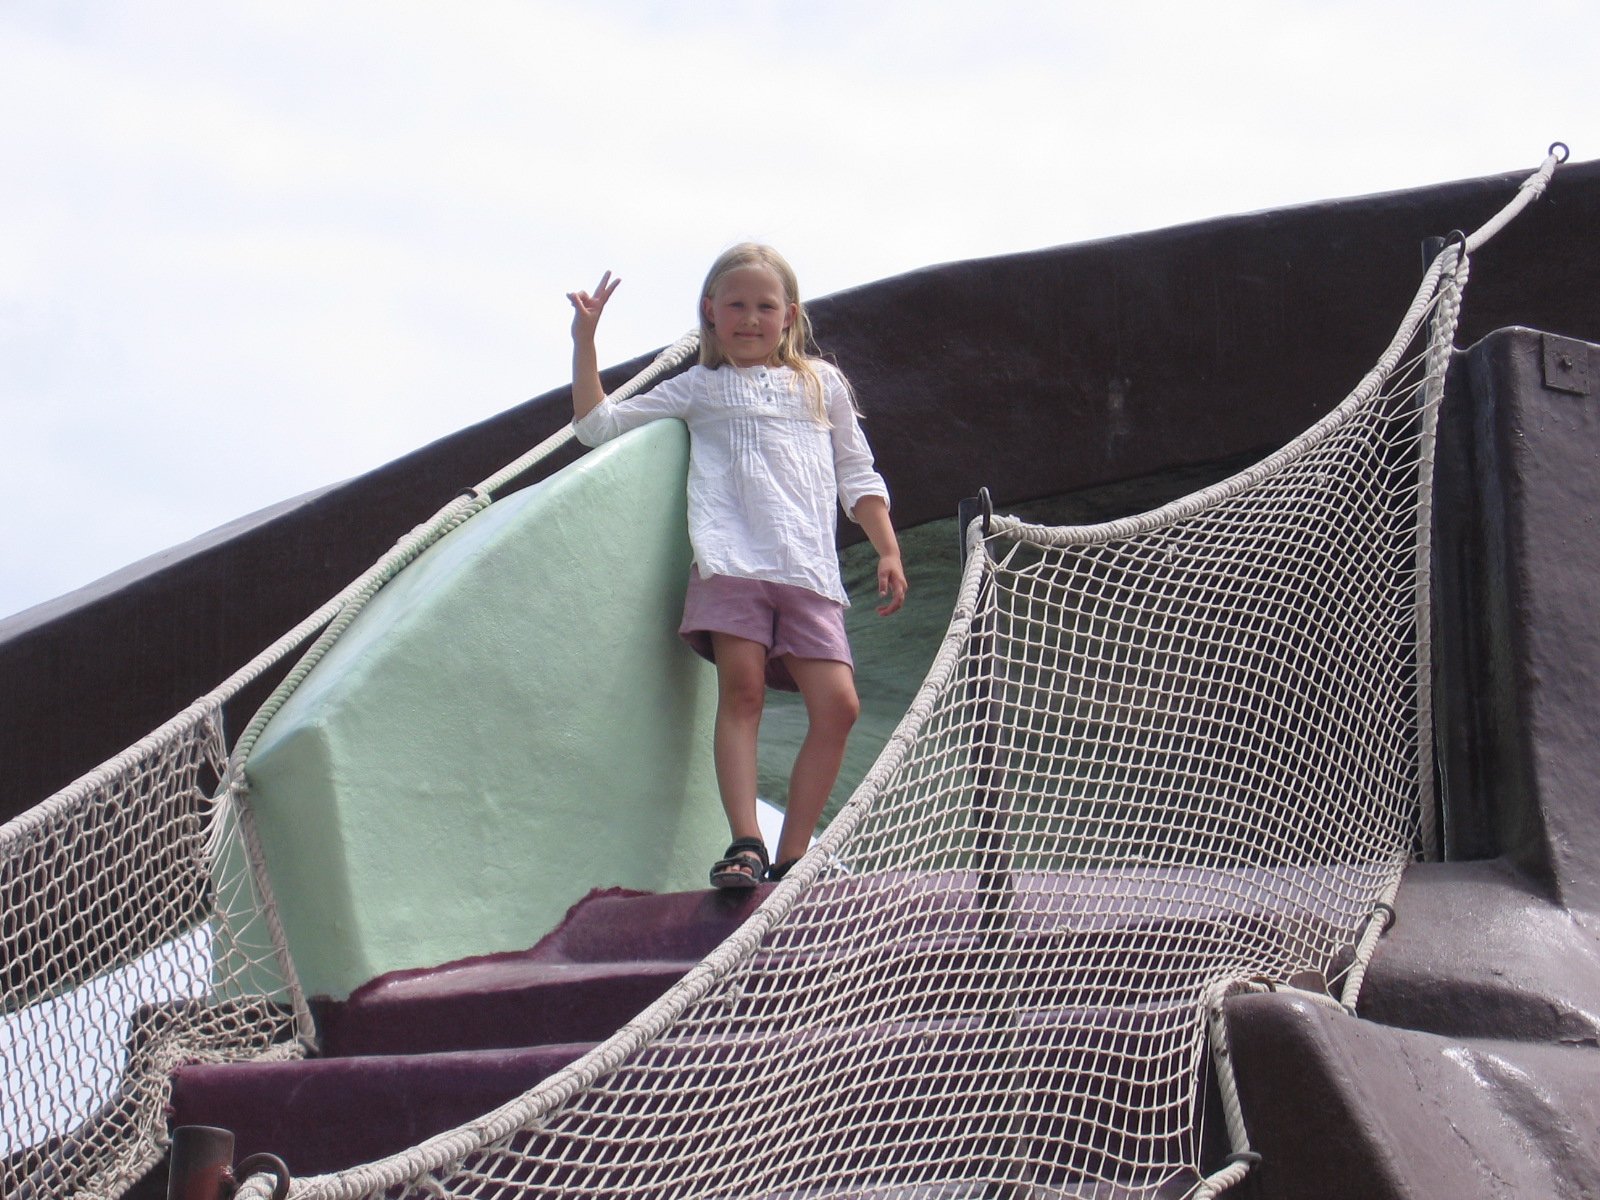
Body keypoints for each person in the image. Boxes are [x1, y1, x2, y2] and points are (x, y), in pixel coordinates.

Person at [568, 244, 907, 890]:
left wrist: (887, 547)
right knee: (743, 692)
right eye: (736, 306)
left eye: (765, 306)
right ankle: (747, 842)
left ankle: (794, 855)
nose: (750, 318)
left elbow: (856, 472)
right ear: (710, 312)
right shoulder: (700, 387)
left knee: (838, 706)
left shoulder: (821, 383)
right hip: (730, 563)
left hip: (807, 570)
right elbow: (598, 426)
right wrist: (586, 342)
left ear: (789, 316)